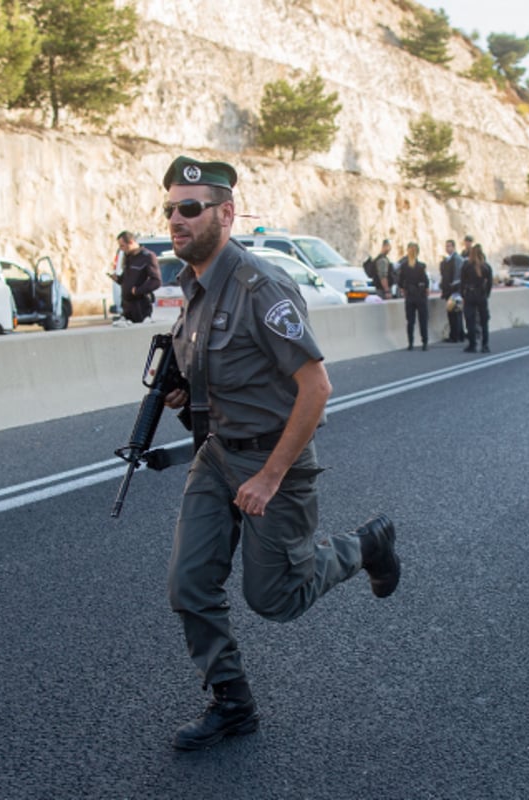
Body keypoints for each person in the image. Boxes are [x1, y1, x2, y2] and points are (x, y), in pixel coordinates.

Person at [158, 156, 401, 751]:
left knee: (275, 599)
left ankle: (365, 545)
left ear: (225, 213)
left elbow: (316, 388)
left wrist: (270, 477)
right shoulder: (190, 288)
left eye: (189, 209)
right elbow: (224, 376)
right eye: (169, 209)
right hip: (216, 455)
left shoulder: (259, 287)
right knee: (188, 586)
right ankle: (232, 703)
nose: (176, 220)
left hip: (274, 463)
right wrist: (186, 394)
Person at [111, 232, 163, 323]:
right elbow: (128, 279)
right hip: (127, 308)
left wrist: (138, 290)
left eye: (122, 246)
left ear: (131, 242)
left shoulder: (147, 257)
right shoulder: (129, 258)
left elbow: (156, 281)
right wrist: (118, 279)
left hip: (140, 307)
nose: (121, 249)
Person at [398, 241, 431, 351]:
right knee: (423, 320)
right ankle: (424, 342)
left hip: (410, 296)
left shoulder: (404, 266)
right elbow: (426, 282)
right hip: (420, 295)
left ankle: (410, 343)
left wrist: (405, 290)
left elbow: (400, 282)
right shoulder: (421, 266)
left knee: (410, 321)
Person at [461, 242, 493, 352]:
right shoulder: (486, 267)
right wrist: (486, 294)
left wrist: (463, 295)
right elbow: (489, 284)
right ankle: (485, 344)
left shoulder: (466, 266)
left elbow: (462, 282)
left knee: (470, 321)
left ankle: (472, 344)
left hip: (470, 294)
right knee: (484, 320)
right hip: (481, 295)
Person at [439, 239, 464, 342]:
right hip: (448, 291)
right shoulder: (446, 260)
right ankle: (457, 334)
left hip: (455, 291)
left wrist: (454, 287)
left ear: (454, 247)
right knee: (452, 313)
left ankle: (456, 335)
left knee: (456, 313)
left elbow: (458, 276)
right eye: (446, 246)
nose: (448, 248)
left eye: (449, 246)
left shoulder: (457, 259)